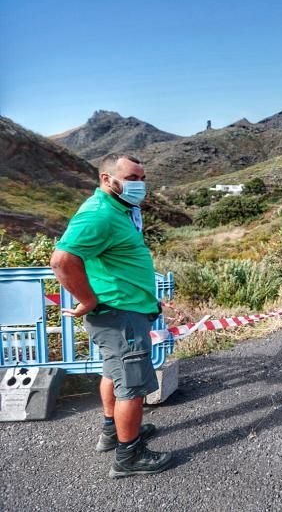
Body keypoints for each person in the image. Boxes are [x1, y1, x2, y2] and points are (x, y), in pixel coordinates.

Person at [50, 154, 174, 479]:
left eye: (142, 178)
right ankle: (128, 456)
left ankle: (111, 431)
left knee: (114, 374)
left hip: (123, 312)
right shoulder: (99, 214)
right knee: (132, 387)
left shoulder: (120, 209)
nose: (140, 185)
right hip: (119, 314)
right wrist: (87, 299)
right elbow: (62, 260)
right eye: (132, 178)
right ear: (107, 179)